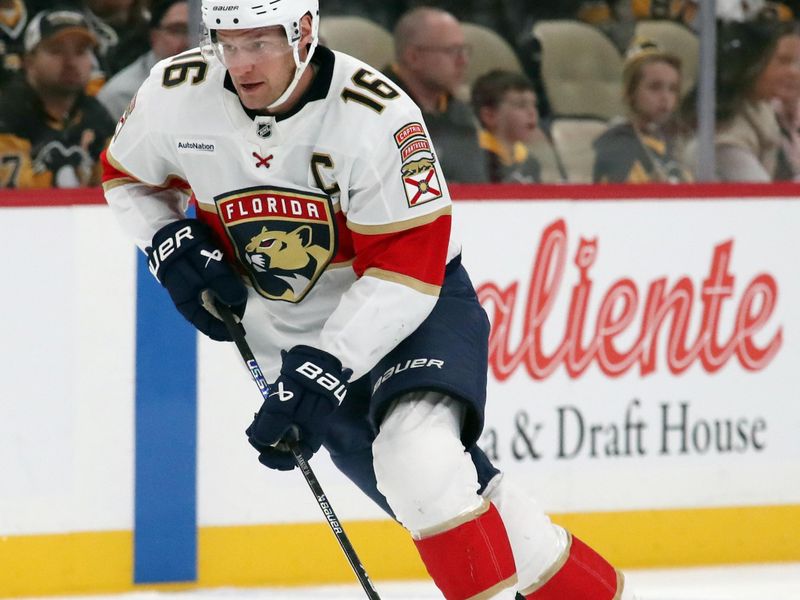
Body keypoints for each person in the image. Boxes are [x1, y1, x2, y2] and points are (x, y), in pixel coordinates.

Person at [101, 1, 638, 598]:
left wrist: (327, 367)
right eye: (227, 43)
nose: (241, 65)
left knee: (419, 464)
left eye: (259, 44)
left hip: (414, 310)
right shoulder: (177, 92)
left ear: (304, 32)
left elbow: (407, 268)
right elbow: (127, 178)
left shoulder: (376, 113)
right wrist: (166, 238)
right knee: (465, 503)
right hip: (295, 342)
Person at [0, 9, 116, 187]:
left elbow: (117, 193)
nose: (71, 62)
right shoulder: (8, 115)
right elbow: (16, 200)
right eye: (56, 51)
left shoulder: (98, 117)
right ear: (28, 61)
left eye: (81, 52)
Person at [382, 6, 489, 183]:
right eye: (452, 51)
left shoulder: (462, 114)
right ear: (414, 57)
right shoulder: (375, 109)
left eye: (464, 51)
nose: (463, 61)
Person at [593, 37, 692, 183]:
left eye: (673, 89)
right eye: (655, 87)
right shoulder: (617, 148)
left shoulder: (675, 142)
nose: (666, 98)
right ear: (630, 92)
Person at [97, 0, 189, 119]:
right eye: (177, 30)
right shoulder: (122, 95)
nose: (189, 41)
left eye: (198, 30)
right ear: (154, 36)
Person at [470, 69, 542, 183]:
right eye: (521, 105)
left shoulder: (531, 164)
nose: (532, 112)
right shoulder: (471, 159)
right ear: (489, 116)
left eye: (534, 105)